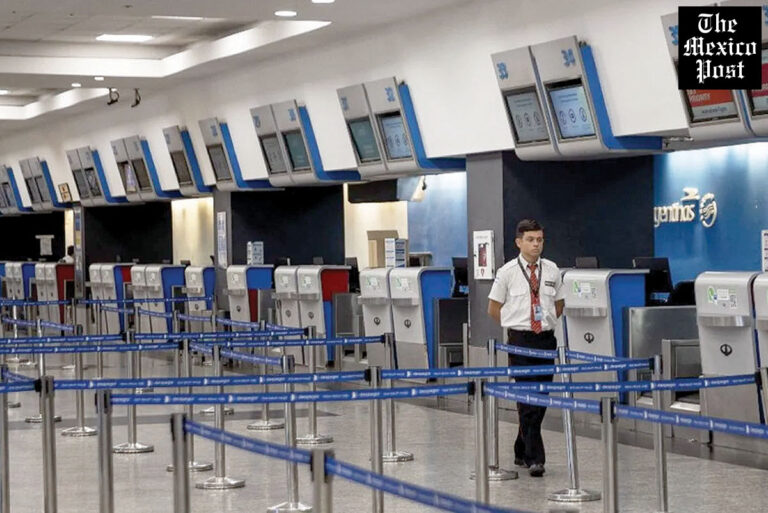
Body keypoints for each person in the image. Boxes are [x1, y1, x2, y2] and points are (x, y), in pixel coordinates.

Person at [487, 219, 564, 477]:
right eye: (530, 240)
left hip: (545, 340)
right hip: (520, 341)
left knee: (541, 397)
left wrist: (544, 323)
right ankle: (535, 458)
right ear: (519, 242)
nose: (536, 244)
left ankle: (521, 447)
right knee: (527, 398)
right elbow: (493, 308)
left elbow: (559, 304)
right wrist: (516, 325)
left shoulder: (552, 270)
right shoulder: (507, 272)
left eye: (539, 239)